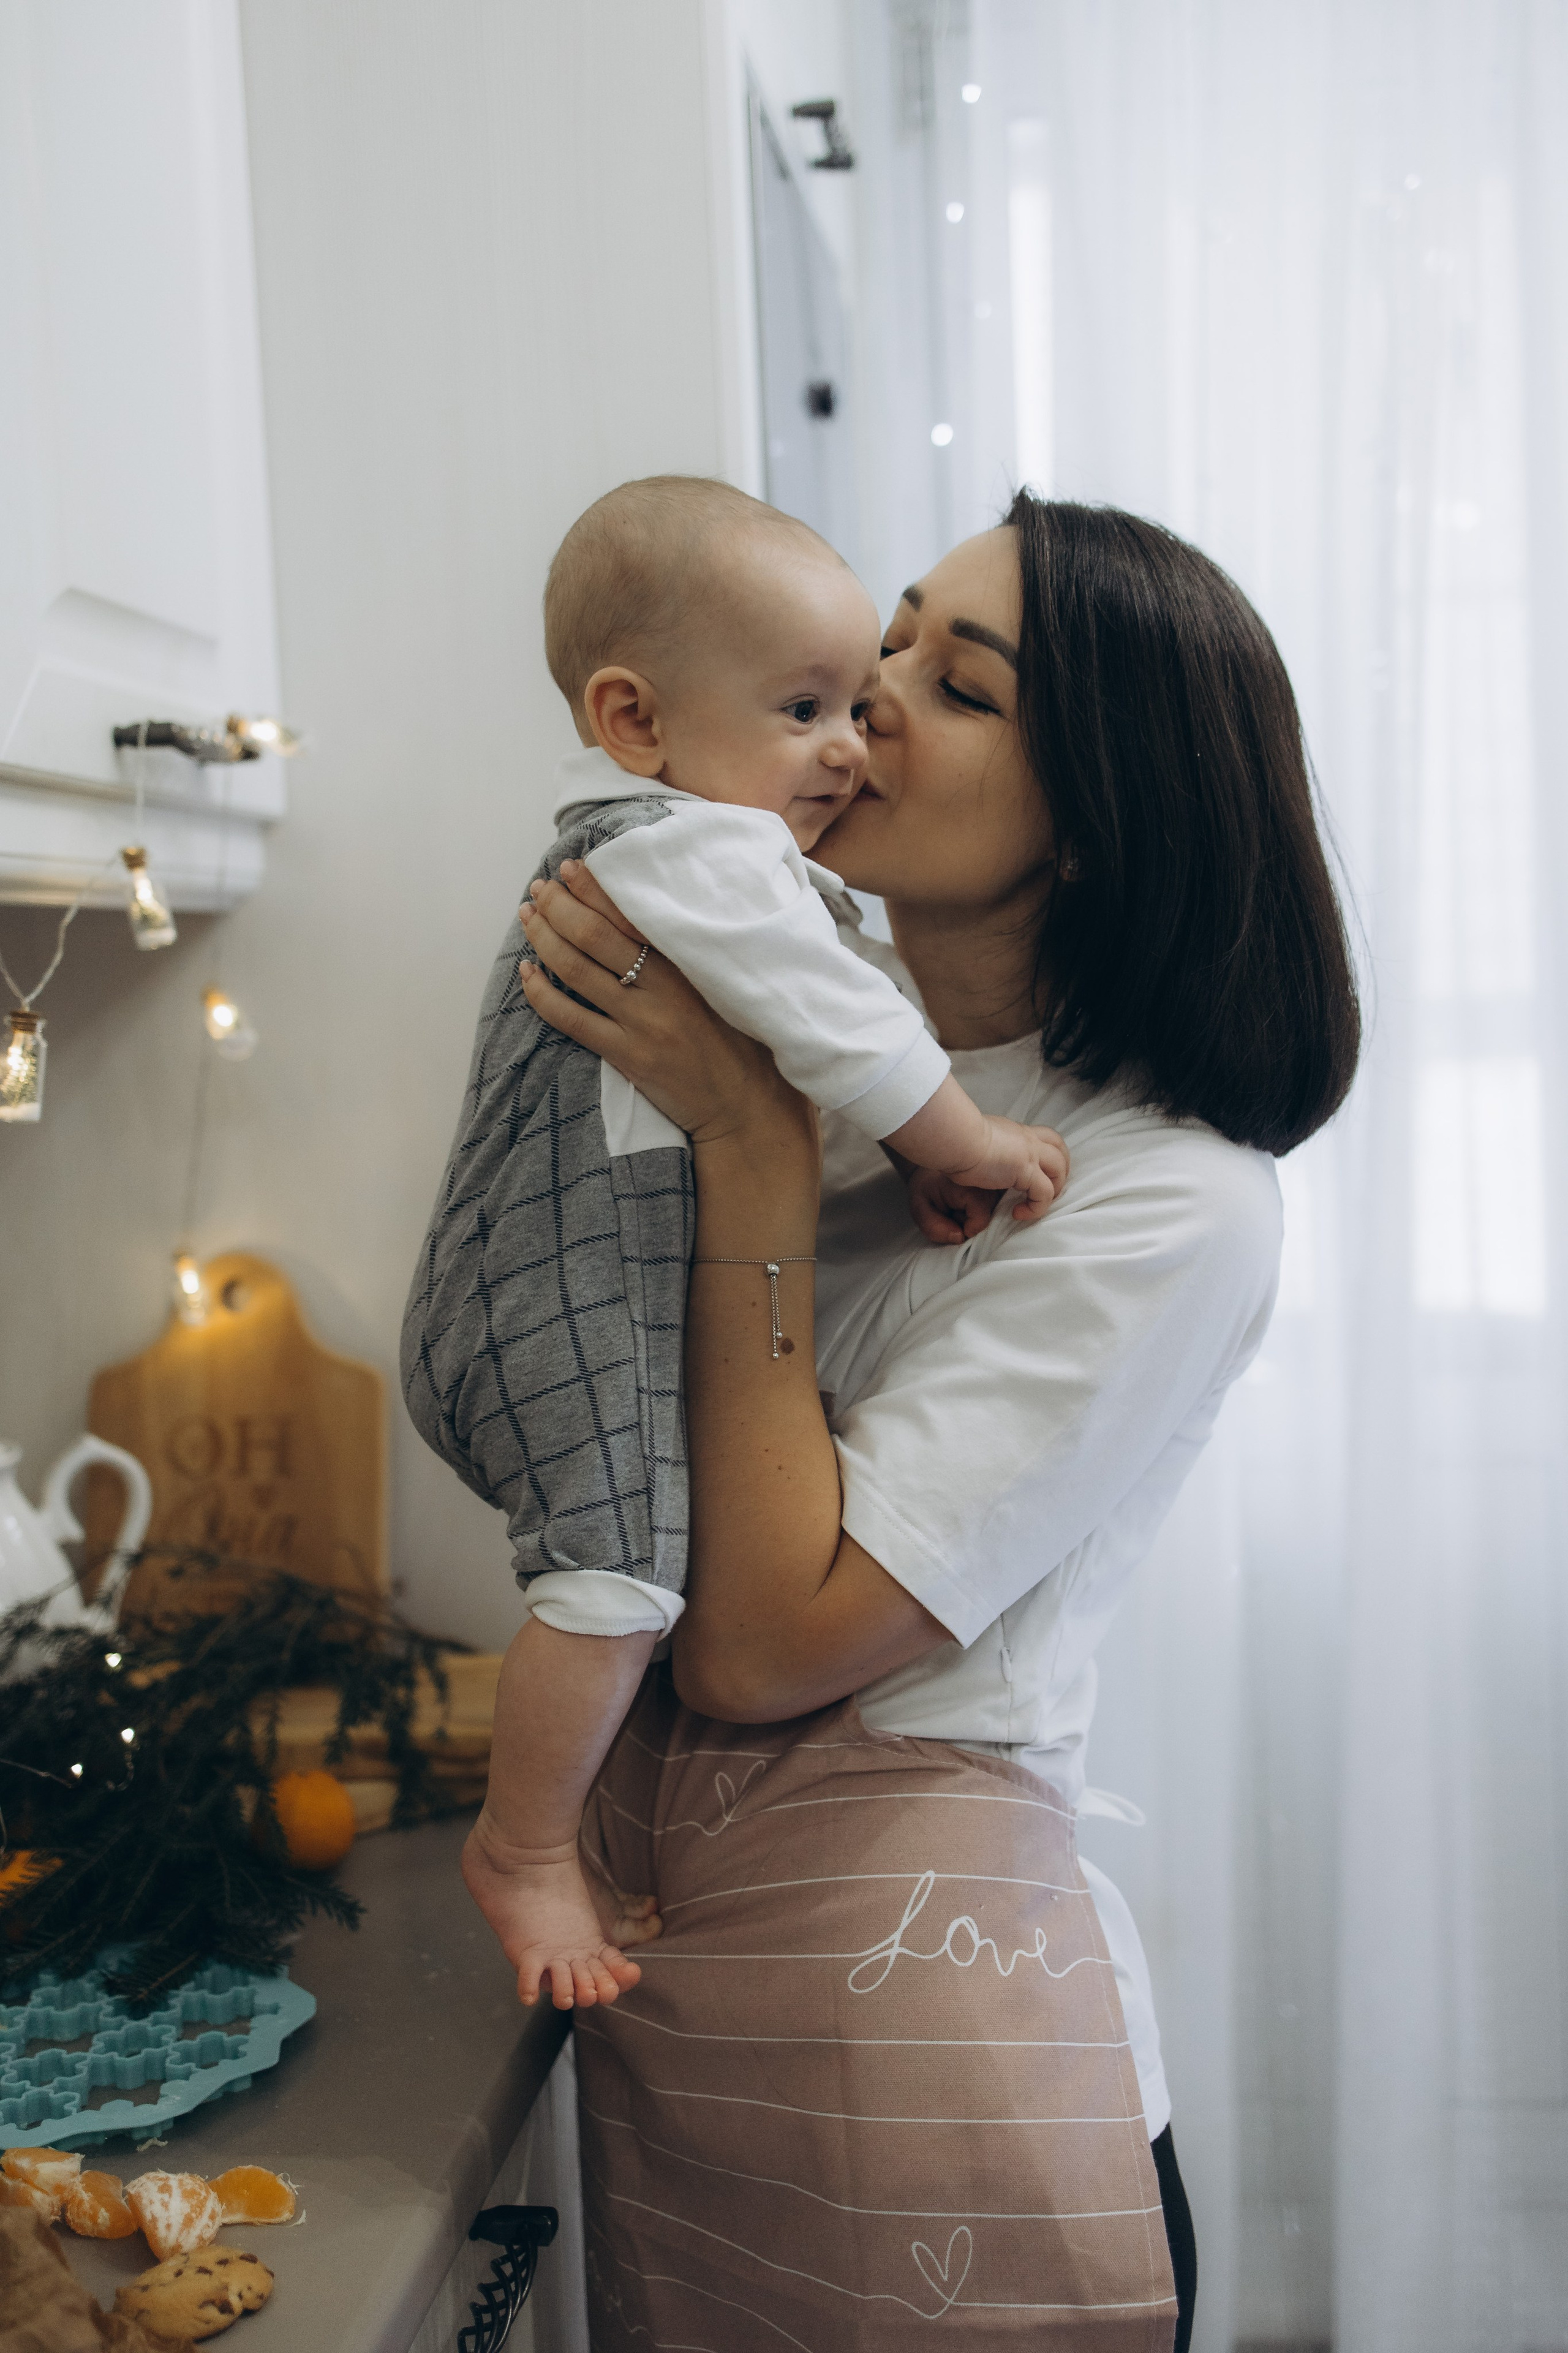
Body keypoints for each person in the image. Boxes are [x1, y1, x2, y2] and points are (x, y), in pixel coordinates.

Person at [497, 494, 1360, 2349]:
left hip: (944, 2084)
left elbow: (759, 1642)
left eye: (955, 685)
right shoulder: (809, 1014)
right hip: (705, 2037)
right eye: (890, 639)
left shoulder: (1164, 1198)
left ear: (1099, 823)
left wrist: (749, 1149)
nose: (870, 699)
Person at [403, 477, 1069, 2011]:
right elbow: (823, 1034)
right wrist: (954, 1138)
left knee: (614, 1572)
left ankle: (534, 1833)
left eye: (923, 687)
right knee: (615, 1580)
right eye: (814, 700)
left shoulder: (723, 869)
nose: (857, 734)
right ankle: (519, 1843)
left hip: (567, 1290)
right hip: (554, 1291)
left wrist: (880, 1164)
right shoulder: (693, 852)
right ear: (635, 721)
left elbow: (762, 1095)